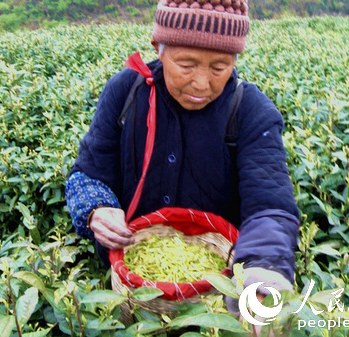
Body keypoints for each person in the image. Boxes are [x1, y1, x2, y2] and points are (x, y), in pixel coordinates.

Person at [65, 0, 300, 321]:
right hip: (131, 288)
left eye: (219, 67)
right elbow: (86, 175)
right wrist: (95, 207)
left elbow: (270, 207)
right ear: (158, 48)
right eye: (186, 64)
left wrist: (263, 271)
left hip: (214, 292)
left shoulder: (251, 112)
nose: (202, 84)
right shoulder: (126, 92)